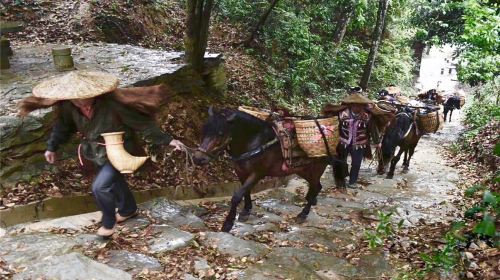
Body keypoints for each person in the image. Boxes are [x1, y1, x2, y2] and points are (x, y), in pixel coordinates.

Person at [18, 70, 185, 237]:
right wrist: (52, 147)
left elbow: (142, 124)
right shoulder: (68, 106)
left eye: (84, 97)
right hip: (94, 151)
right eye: (76, 99)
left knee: (101, 187)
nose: (81, 102)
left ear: (94, 93)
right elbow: (62, 128)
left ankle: (108, 223)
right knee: (115, 181)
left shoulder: (112, 104)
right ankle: (128, 209)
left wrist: (168, 141)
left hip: (119, 149)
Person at [336, 87, 382, 188]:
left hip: (360, 144)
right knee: (341, 162)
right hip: (344, 142)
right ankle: (342, 178)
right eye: (354, 104)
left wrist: (377, 142)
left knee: (356, 164)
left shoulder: (367, 116)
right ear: (351, 104)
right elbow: (336, 127)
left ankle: (352, 182)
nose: (357, 106)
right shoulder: (342, 113)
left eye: (359, 105)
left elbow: (373, 129)